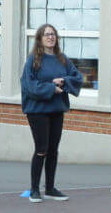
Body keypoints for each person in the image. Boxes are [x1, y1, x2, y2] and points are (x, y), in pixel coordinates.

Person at [19, 23, 81, 202]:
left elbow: (77, 78)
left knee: (53, 150)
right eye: (46, 34)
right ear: (40, 38)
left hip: (56, 110)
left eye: (53, 34)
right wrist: (51, 88)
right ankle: (34, 189)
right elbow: (29, 86)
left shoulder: (62, 59)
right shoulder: (33, 60)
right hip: (38, 111)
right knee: (42, 149)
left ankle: (50, 188)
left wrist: (64, 81)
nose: (50, 37)